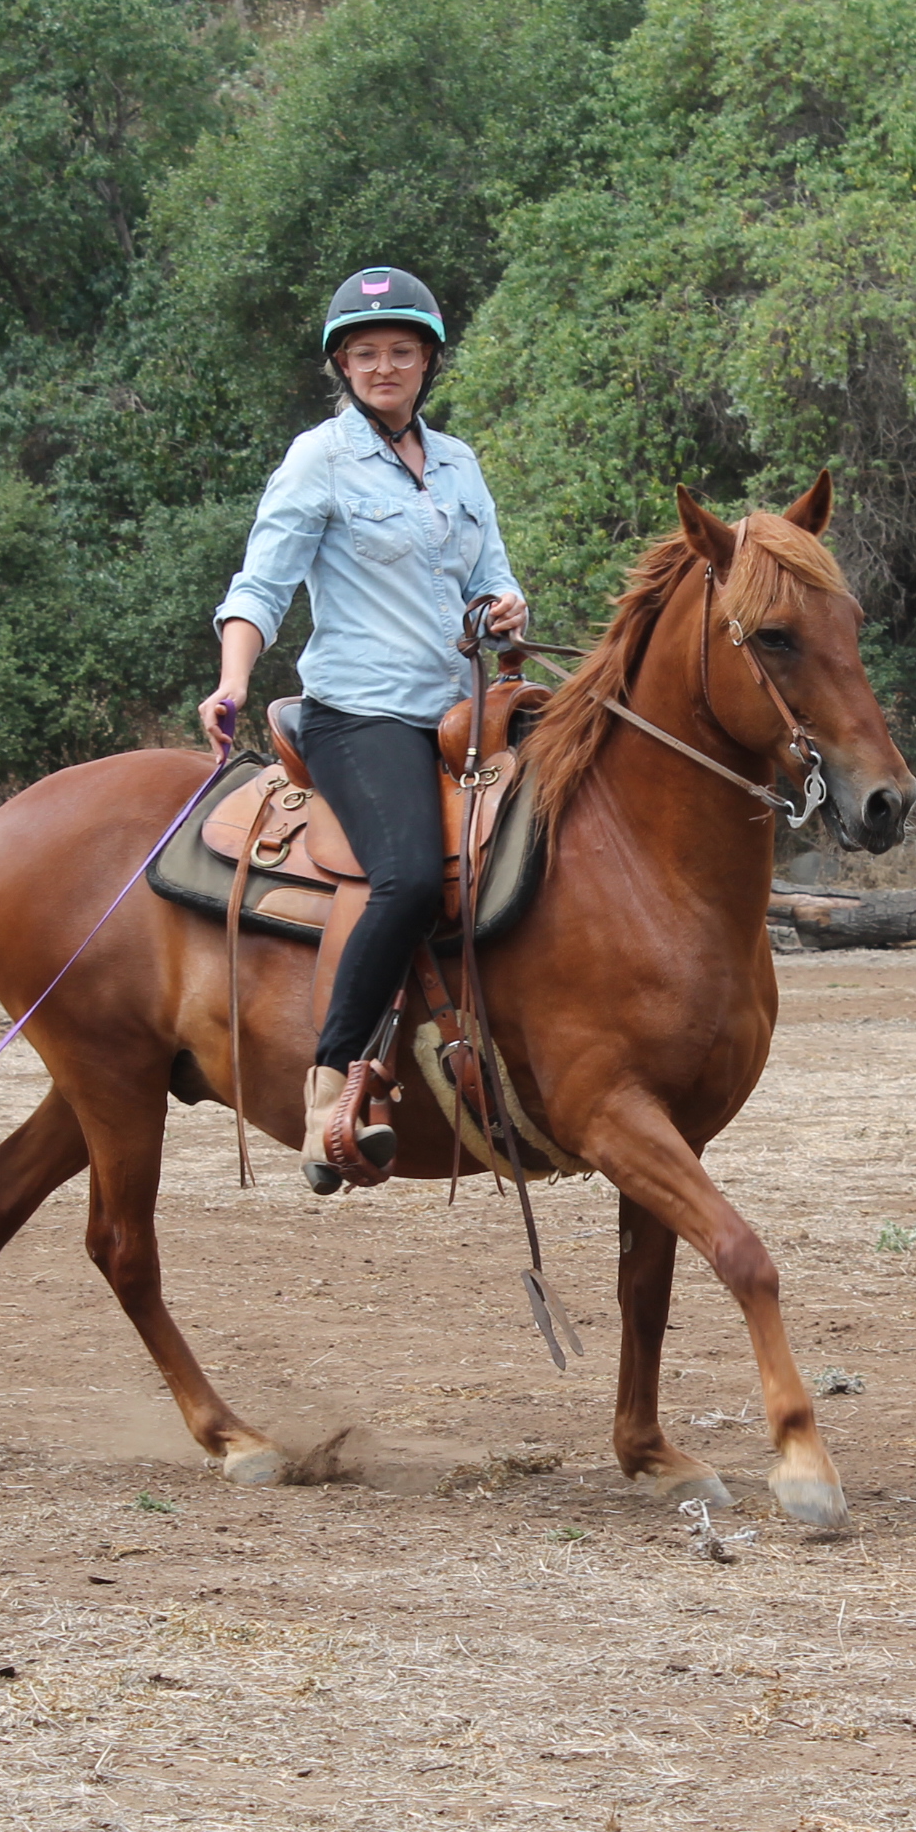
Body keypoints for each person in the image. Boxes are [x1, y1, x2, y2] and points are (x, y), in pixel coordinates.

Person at [195, 265, 528, 1194]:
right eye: (366, 353)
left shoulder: (458, 462)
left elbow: (492, 575)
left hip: (462, 708)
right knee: (413, 873)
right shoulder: (319, 460)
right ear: (343, 366)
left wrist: (504, 607)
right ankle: (332, 1079)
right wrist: (232, 678)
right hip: (361, 713)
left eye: (402, 352)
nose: (385, 366)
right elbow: (260, 585)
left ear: (427, 362)